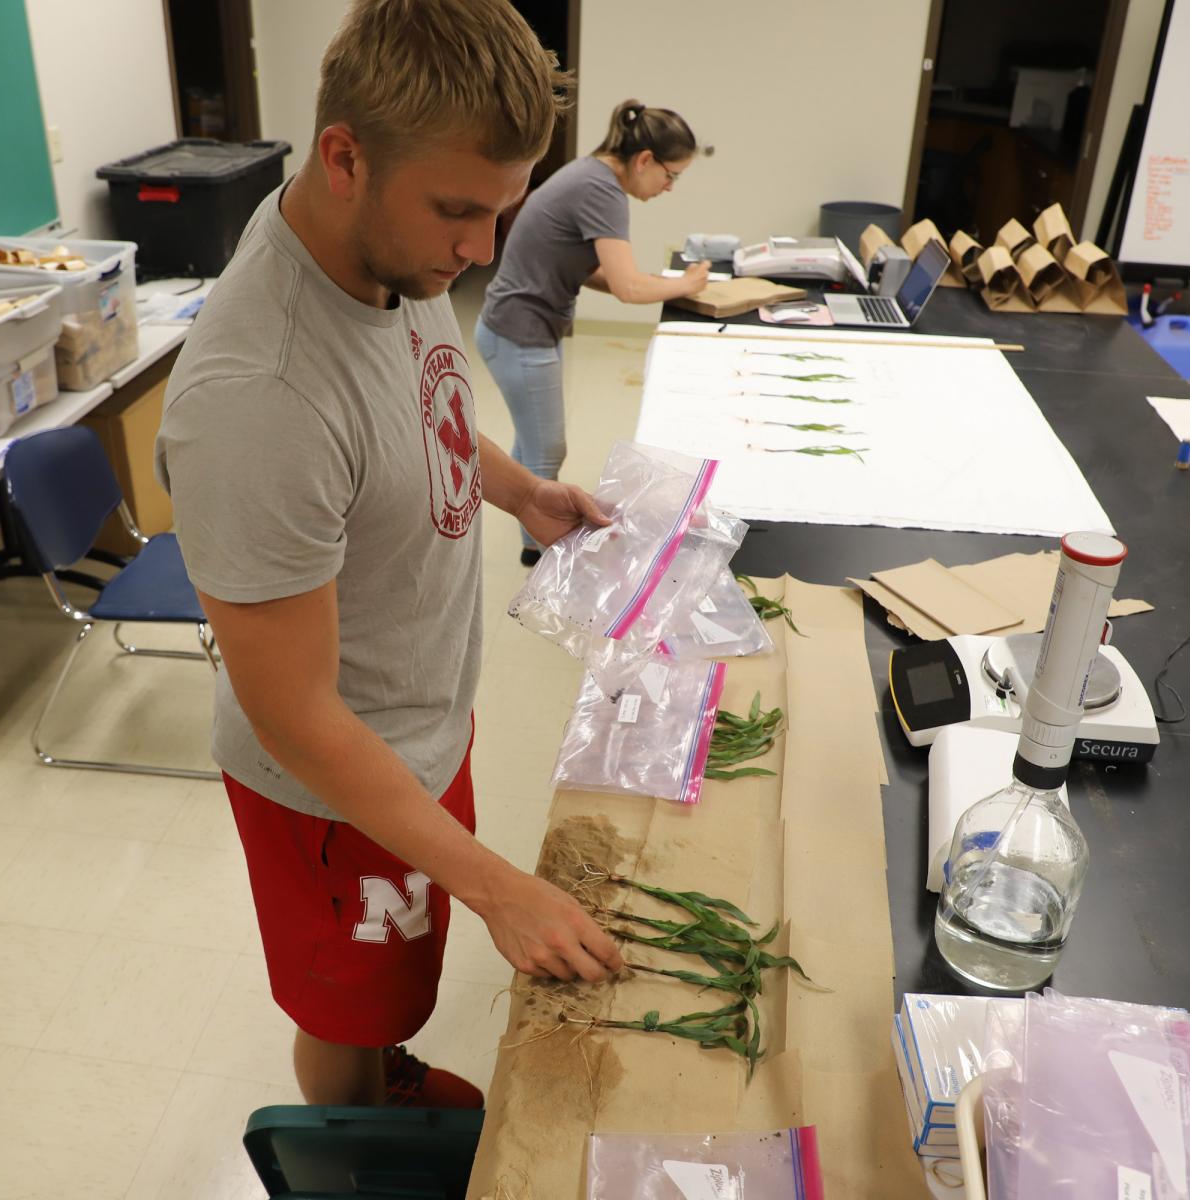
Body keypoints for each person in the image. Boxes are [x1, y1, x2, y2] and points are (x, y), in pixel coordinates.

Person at [155, 0, 625, 1111]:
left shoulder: (396, 259)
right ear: (344, 157)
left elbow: (432, 392)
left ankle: (383, 1074)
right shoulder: (258, 396)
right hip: (332, 787)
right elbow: (296, 717)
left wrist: (519, 492)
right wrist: (497, 887)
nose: (481, 252)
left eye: (502, 212)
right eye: (460, 212)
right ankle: (348, 1135)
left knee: (396, 993)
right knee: (349, 1010)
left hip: (417, 724)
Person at [476, 99, 708, 564]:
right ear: (644, 160)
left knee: (532, 438)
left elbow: (582, 269)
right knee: (546, 447)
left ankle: (529, 539)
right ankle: (545, 557)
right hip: (518, 334)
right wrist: (686, 283)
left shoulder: (591, 175)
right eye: (671, 175)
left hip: (515, 328)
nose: (669, 187)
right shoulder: (602, 190)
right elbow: (624, 285)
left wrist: (665, 286)